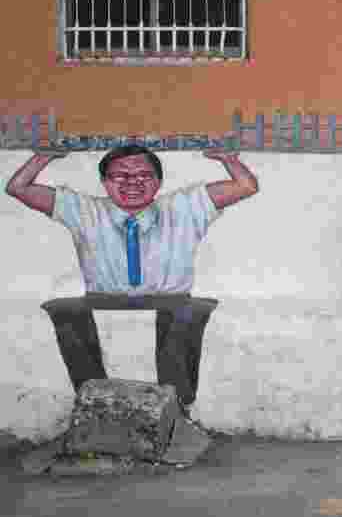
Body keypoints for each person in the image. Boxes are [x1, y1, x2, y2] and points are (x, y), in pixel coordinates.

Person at [5, 145, 259, 413]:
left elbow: (246, 186)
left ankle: (178, 410)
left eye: (143, 175)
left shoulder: (186, 206)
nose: (132, 183)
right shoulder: (83, 209)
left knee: (187, 316)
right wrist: (44, 157)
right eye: (120, 176)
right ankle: (97, 406)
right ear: (104, 182)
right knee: (65, 312)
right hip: (103, 300)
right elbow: (18, 188)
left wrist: (228, 159)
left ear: (158, 181)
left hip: (171, 300)